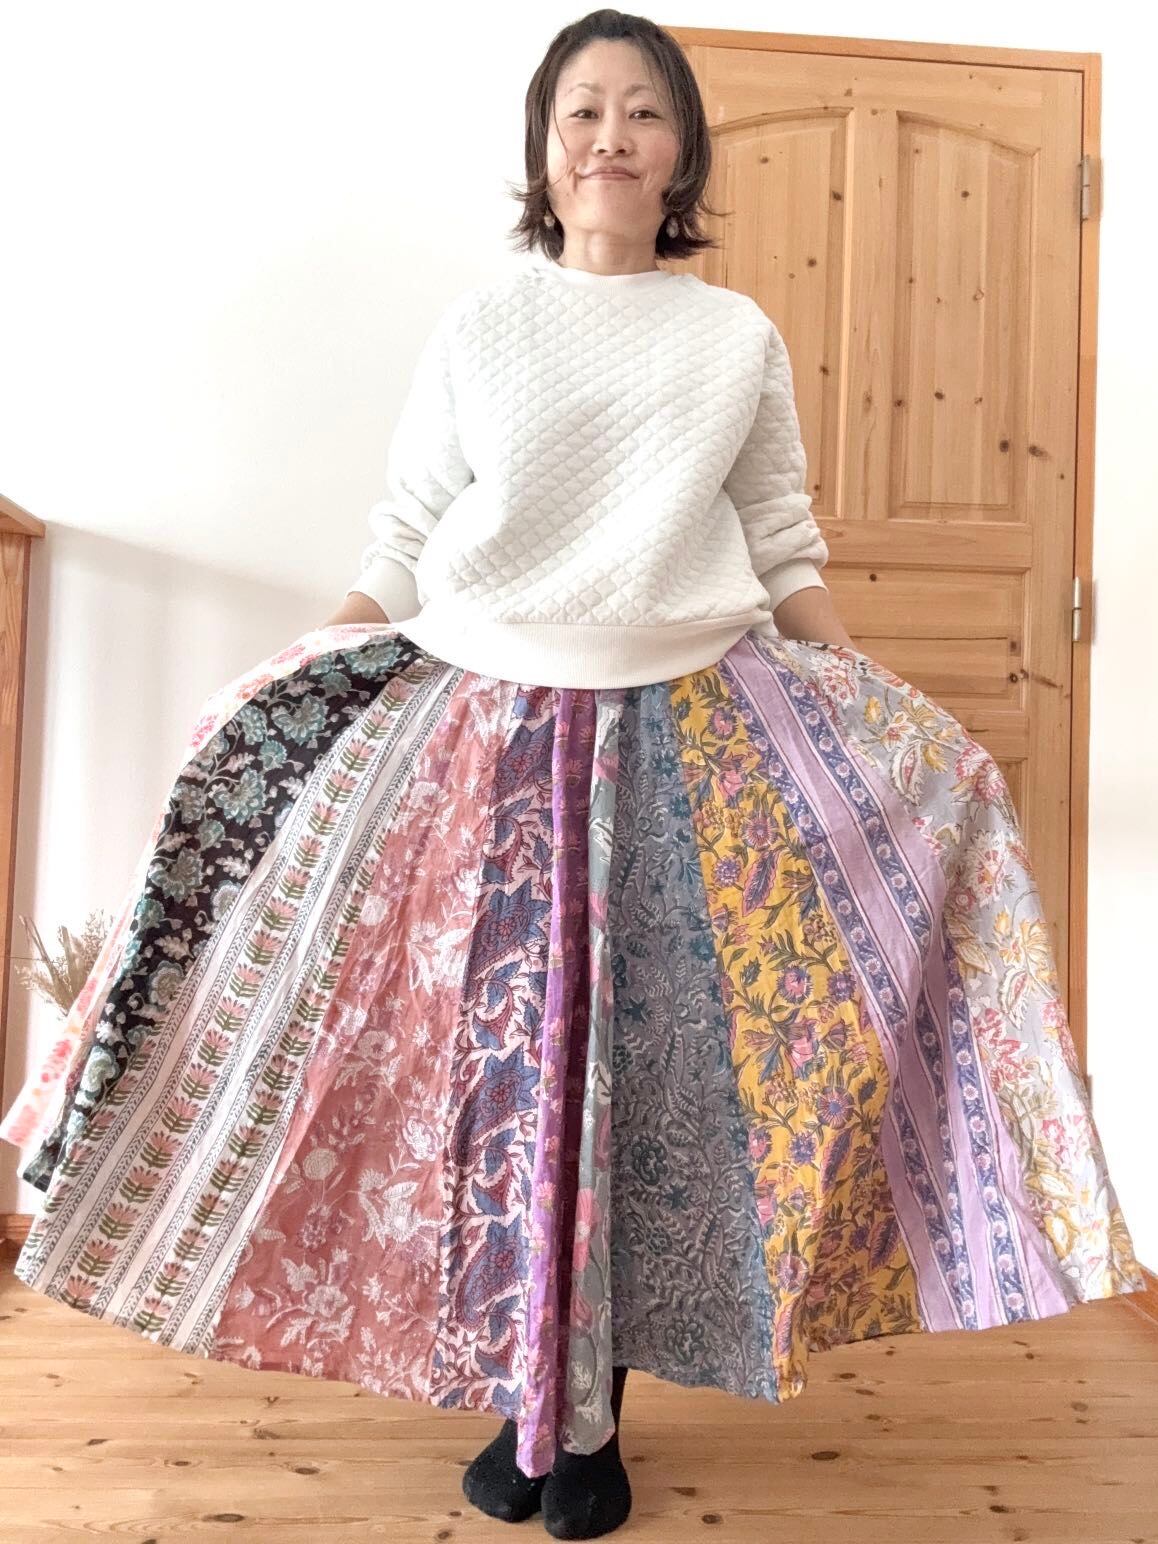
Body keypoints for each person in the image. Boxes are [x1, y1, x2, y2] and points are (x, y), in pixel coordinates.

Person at [2, 12, 1144, 1544]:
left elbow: (780, 538)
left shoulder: (732, 336)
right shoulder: (484, 325)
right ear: (545, 149)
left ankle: (593, 1407)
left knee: (647, 1087)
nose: (610, 135)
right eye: (581, 110)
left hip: (694, 730)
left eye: (641, 112)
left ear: (681, 153)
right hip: (486, 725)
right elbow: (407, 529)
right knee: (504, 1077)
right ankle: (517, 1392)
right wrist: (305, 659)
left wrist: (875, 695)